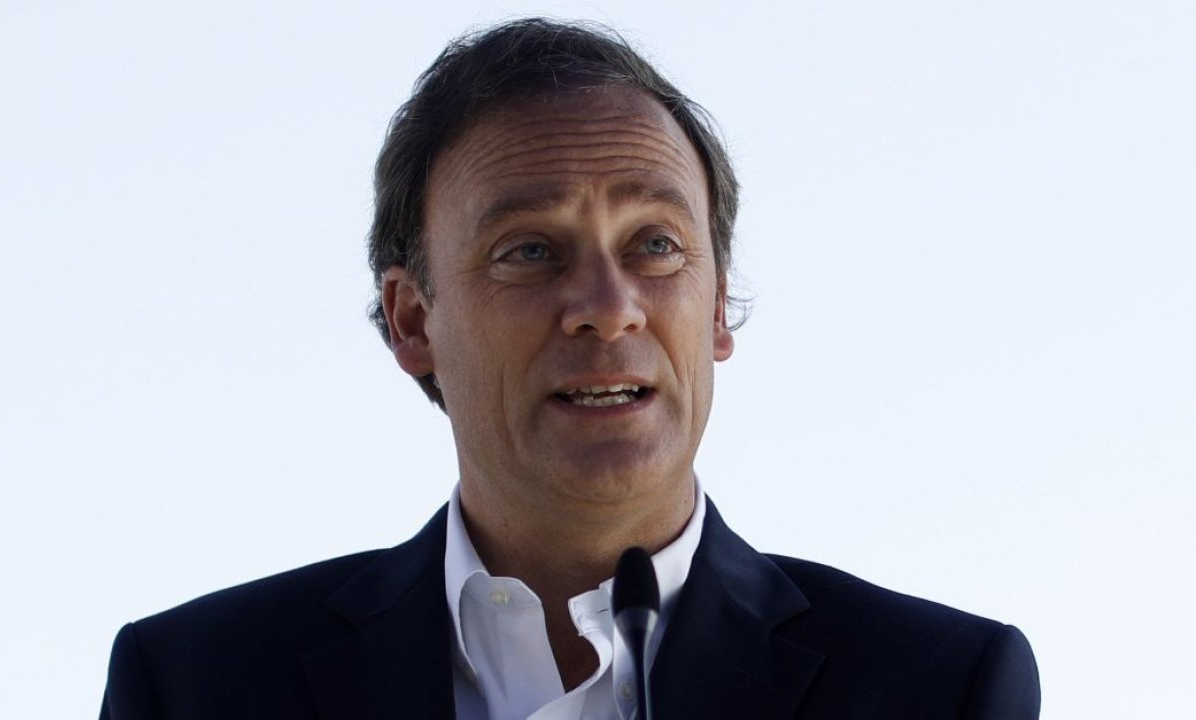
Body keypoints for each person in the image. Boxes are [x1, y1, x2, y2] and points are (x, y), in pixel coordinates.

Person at [100, 18, 1040, 719]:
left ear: (717, 307)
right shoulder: (195, 685)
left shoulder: (942, 688)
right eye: (530, 251)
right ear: (413, 320)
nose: (607, 304)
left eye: (656, 244)